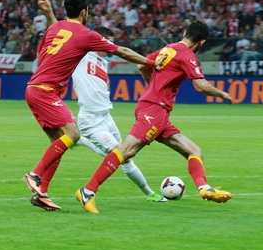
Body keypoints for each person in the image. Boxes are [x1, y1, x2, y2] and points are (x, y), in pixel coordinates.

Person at [75, 20, 234, 214]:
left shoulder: (168, 49)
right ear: (201, 42)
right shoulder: (187, 55)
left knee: (194, 151)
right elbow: (200, 86)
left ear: (184, 32)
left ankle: (204, 189)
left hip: (157, 110)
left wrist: (153, 89)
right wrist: (222, 94)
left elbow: (143, 66)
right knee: (126, 151)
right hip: (154, 110)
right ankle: (88, 191)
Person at [22, 0, 162, 211]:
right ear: (83, 11)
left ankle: (42, 194)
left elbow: (53, 33)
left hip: (35, 89)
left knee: (58, 144)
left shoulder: (55, 29)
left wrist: (49, 13)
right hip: (46, 91)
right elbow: (123, 51)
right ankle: (35, 174)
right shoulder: (86, 35)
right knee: (73, 134)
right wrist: (152, 63)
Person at [72, 25, 167, 203]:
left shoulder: (103, 62)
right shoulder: (81, 55)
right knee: (119, 153)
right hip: (91, 119)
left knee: (125, 156)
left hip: (106, 117)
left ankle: (149, 194)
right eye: (108, 43)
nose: (110, 48)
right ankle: (89, 190)